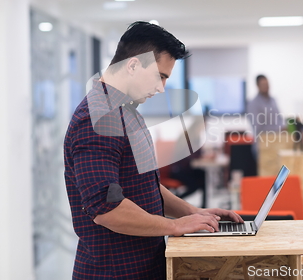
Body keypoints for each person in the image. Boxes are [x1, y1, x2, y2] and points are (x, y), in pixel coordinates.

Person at [64, 21, 243, 280]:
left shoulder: (126, 112)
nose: (161, 88)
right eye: (160, 76)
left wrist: (193, 213)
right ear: (133, 65)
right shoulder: (97, 118)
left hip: (145, 265)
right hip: (114, 273)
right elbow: (106, 209)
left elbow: (145, 182)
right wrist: (174, 225)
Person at [247, 75, 284, 157]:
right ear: (257, 86)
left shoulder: (273, 100)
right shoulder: (253, 104)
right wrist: (279, 129)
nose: (266, 86)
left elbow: (279, 119)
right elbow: (258, 128)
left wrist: (284, 127)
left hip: (276, 145)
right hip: (263, 147)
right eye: (263, 84)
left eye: (267, 84)